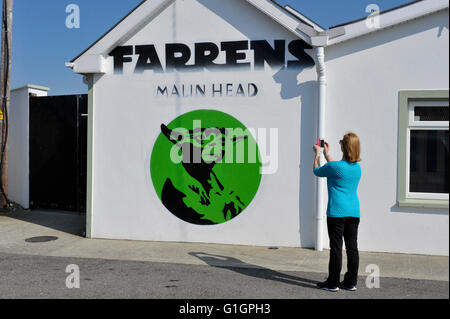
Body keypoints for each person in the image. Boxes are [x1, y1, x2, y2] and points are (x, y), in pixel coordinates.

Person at [313, 133, 362, 292]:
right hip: (354, 212)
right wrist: (327, 154)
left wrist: (318, 154)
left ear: (344, 146)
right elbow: (337, 168)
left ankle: (333, 283)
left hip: (337, 213)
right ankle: (350, 282)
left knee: (336, 248)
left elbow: (317, 171)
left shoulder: (335, 167)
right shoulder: (357, 168)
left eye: (341, 142)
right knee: (352, 248)